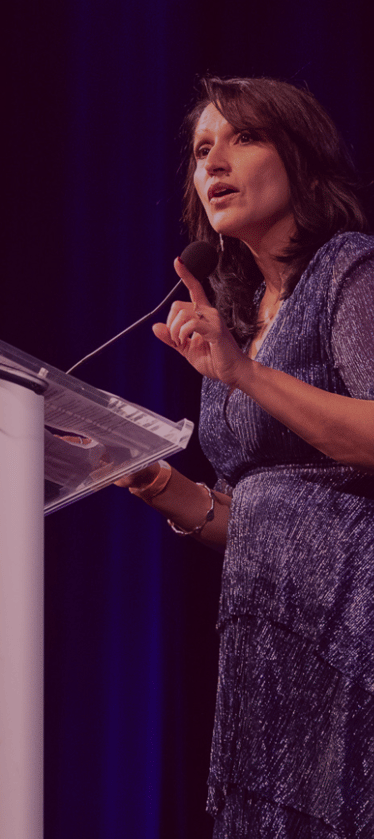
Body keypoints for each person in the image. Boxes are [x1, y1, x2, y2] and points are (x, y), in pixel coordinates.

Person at [120, 76, 374, 838]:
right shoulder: (235, 323)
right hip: (265, 640)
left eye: (243, 138)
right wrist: (156, 480)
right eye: (203, 150)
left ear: (302, 159)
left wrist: (244, 373)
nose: (215, 162)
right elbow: (259, 511)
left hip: (352, 625)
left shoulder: (348, 271)